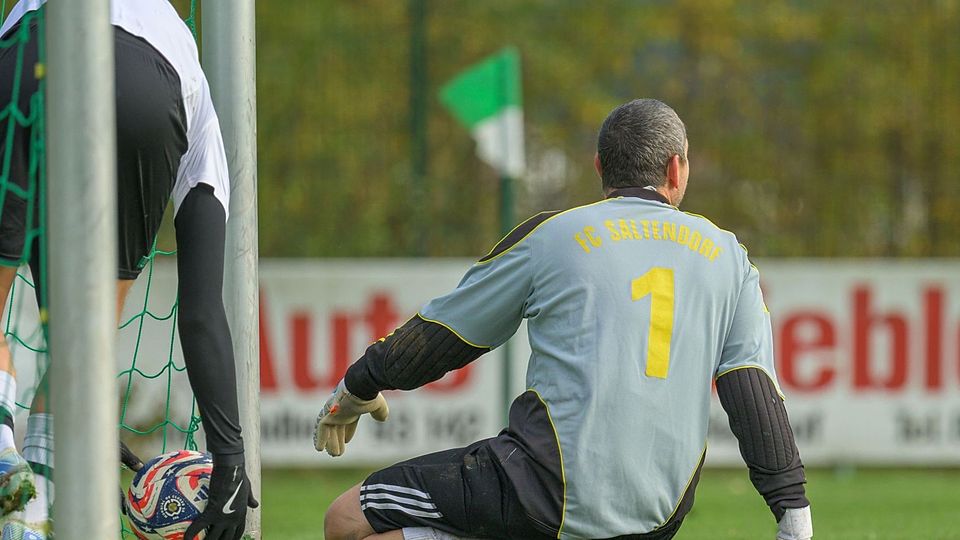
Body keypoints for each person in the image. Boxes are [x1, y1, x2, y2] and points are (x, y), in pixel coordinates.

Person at [316, 98, 813, 540]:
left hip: (540, 490)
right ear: (676, 168)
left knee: (347, 520)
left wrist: (360, 384)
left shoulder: (554, 235)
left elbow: (444, 336)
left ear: (599, 167)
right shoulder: (729, 257)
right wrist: (792, 509)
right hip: (657, 516)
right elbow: (751, 392)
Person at [0, 1, 257, 539]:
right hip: (150, 89)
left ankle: (5, 458)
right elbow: (202, 311)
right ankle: (36, 503)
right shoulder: (197, 87)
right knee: (80, 352)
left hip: (26, 55)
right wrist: (230, 459)